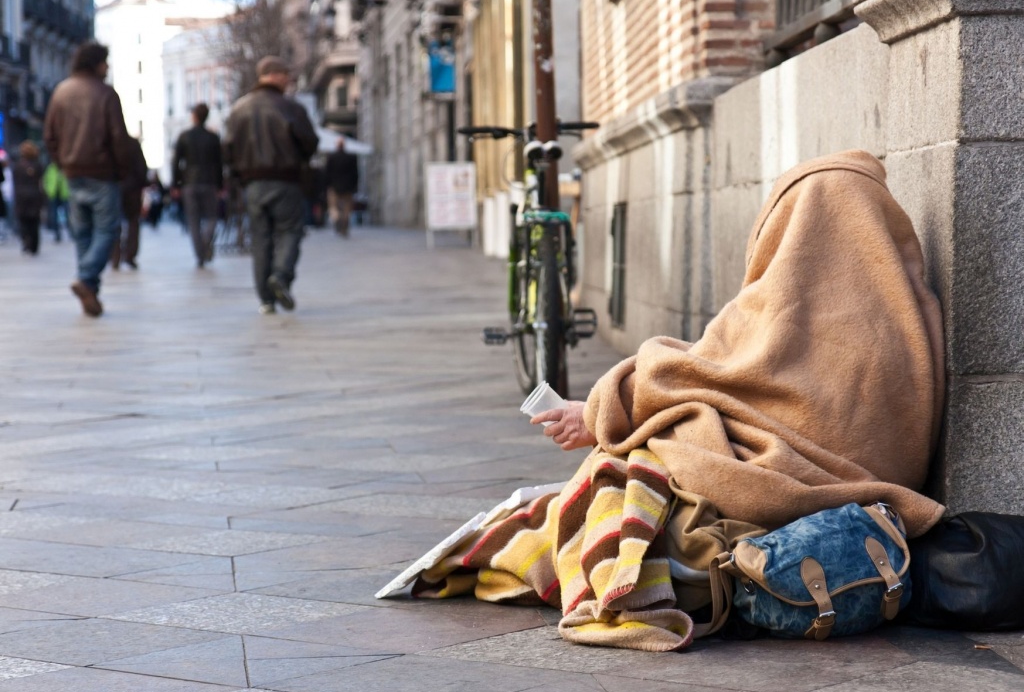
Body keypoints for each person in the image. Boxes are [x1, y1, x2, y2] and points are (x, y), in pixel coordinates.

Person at [409, 150, 947, 651]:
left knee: (628, 465)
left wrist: (599, 411)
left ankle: (608, 562)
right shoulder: (912, 319)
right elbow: (744, 384)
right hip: (862, 495)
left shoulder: (778, 301)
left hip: (777, 484)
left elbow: (692, 373)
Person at [43, 40, 135, 318]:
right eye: (105, 62)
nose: (107, 67)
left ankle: (90, 290)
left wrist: (63, 163)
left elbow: (50, 137)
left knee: (83, 233)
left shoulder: (61, 92)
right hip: (102, 173)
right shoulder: (106, 94)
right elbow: (119, 138)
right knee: (107, 230)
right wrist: (122, 170)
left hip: (72, 172)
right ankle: (86, 279)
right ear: (95, 63)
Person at [223, 55, 318, 314]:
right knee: (289, 230)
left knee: (261, 238)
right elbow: (310, 143)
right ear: (275, 75)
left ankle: (265, 298)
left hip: (252, 183)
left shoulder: (238, 109)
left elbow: (228, 149)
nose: (288, 81)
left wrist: (238, 176)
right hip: (285, 179)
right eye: (286, 75)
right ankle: (281, 275)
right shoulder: (291, 108)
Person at [172, 102, 223, 268]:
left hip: (190, 182)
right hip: (209, 181)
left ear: (194, 116)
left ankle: (200, 253)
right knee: (212, 217)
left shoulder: (184, 136)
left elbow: (176, 161)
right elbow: (219, 164)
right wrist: (220, 184)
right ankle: (206, 240)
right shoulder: (213, 137)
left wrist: (176, 184)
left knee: (193, 220)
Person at [110, 137, 147, 270]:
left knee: (114, 222)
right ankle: (130, 255)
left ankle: (115, 256)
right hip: (132, 188)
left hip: (114, 187)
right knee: (133, 222)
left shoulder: (110, 142)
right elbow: (142, 167)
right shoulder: (132, 143)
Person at [12, 141, 45, 255]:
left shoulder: (18, 166)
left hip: (21, 196)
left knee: (23, 221)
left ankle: (26, 242)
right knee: (34, 222)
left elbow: (15, 183)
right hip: (35, 195)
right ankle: (34, 245)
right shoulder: (38, 165)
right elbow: (41, 182)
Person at [324, 136, 359, 237]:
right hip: (348, 187)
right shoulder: (351, 157)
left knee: (333, 207)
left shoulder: (331, 157)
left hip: (334, 187)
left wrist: (327, 186)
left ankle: (337, 218)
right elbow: (355, 174)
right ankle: (343, 221)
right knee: (347, 208)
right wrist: (354, 186)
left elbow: (327, 173)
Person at [43, 161, 69, 242]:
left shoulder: (65, 167)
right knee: (53, 215)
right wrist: (48, 191)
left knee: (68, 214)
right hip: (53, 194)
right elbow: (45, 181)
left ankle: (72, 231)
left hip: (64, 193)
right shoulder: (51, 168)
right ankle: (57, 233)